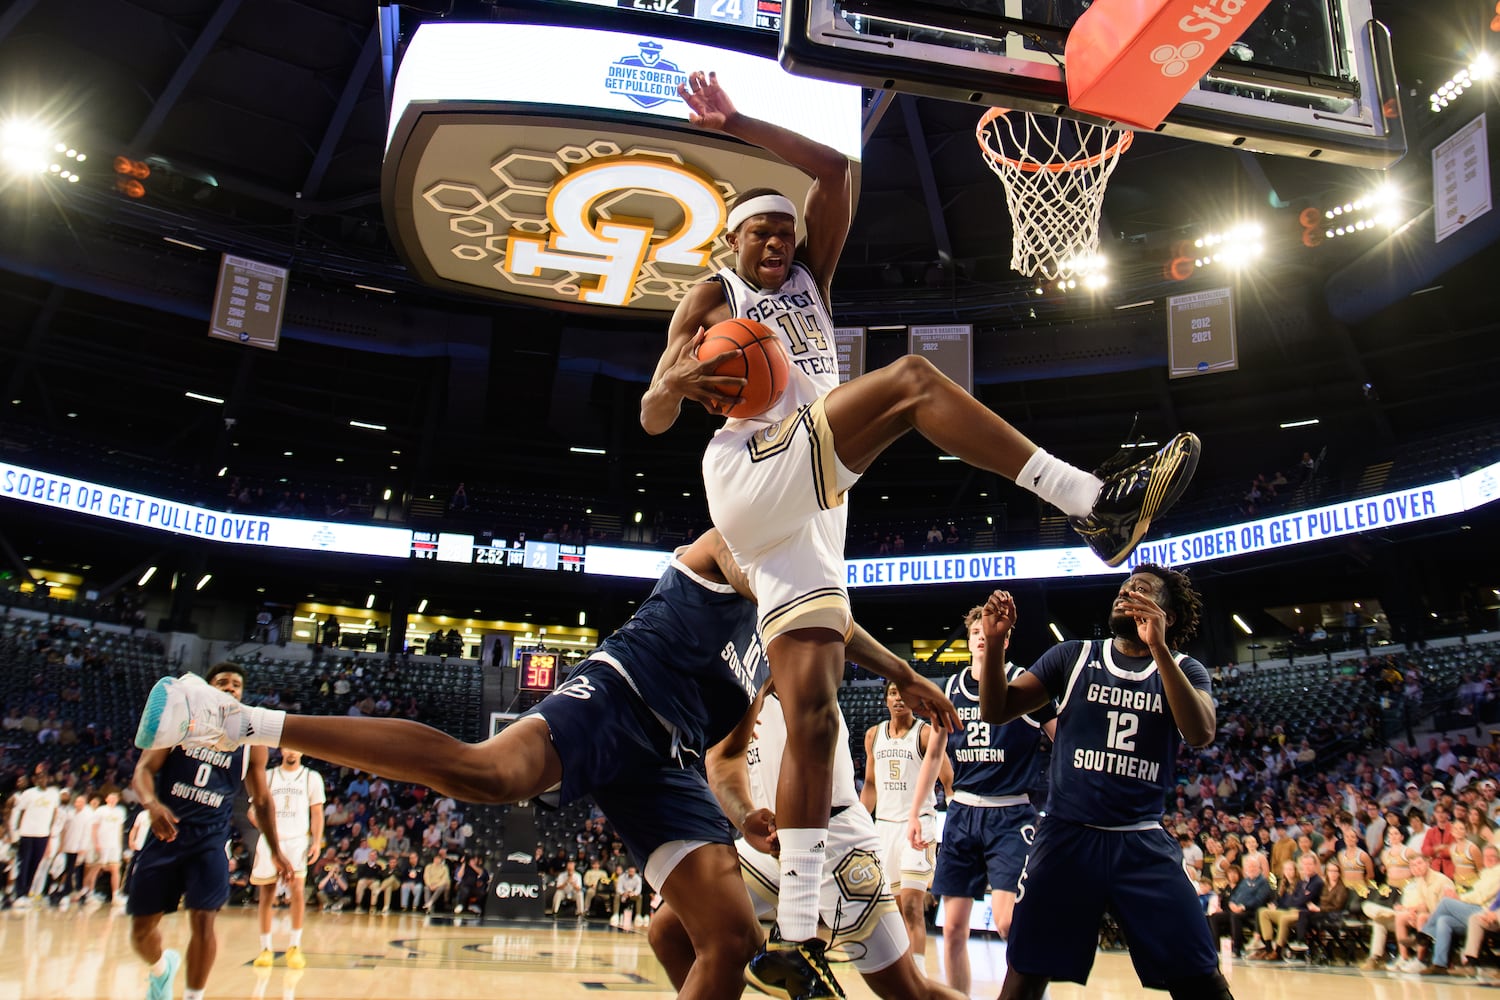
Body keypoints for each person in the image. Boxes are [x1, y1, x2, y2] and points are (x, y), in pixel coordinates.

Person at [641, 67, 1200, 956]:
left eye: (787, 234)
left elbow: (832, 169)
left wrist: (742, 122)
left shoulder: (811, 286)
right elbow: (654, 416)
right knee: (908, 385)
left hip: (816, 504)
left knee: (814, 706)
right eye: (761, 233)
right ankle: (1090, 500)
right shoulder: (715, 298)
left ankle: (792, 922)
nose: (779, 244)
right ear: (732, 241)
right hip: (751, 469)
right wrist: (669, 380)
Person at [136, 528, 957, 1000]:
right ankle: (241, 717)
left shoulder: (774, 659)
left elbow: (726, 757)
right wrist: (907, 673)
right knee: (484, 773)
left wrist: (742, 813)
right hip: (619, 695)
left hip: (667, 764)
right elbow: (794, 596)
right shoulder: (742, 543)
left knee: (731, 937)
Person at [975, 568, 1234, 1000]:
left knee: (1201, 977)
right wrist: (998, 643)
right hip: (1066, 836)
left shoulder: (1187, 668)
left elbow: (1202, 731)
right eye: (1124, 588)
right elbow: (997, 709)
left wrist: (1160, 649)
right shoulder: (1072, 656)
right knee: (1024, 974)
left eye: (1143, 590)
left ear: (1166, 613)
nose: (1127, 593)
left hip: (1141, 841)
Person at [651, 678, 966, 1000]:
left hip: (833, 839)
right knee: (668, 932)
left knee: (909, 990)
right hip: (771, 842)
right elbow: (721, 761)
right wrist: (745, 816)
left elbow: (831, 644)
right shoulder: (729, 675)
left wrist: (903, 675)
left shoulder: (796, 646)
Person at [904, 604, 1054, 994]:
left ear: (1004, 638)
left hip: (1011, 813)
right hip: (963, 811)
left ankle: (1031, 991)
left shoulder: (1025, 683)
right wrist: (918, 811)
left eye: (988, 634)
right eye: (975, 634)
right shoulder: (950, 690)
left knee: (1007, 921)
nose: (982, 639)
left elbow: (1064, 738)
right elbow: (934, 755)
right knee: (952, 928)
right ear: (969, 641)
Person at [128, 661, 292, 1000]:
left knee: (203, 920)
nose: (231, 688)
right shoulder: (181, 719)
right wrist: (152, 804)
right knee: (141, 932)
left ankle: (192, 996)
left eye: (236, 685)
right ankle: (161, 969)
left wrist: (276, 851)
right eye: (223, 682)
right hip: (165, 835)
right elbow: (143, 770)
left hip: (211, 840)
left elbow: (262, 800)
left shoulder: (251, 739)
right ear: (208, 688)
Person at [861, 679, 952, 972]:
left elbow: (948, 779)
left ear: (912, 700)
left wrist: (954, 817)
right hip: (885, 829)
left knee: (913, 906)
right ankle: (906, 974)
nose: (898, 698)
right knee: (897, 911)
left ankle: (919, 975)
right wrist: (862, 824)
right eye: (892, 693)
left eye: (902, 694)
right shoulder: (873, 735)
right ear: (885, 699)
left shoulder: (925, 733)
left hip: (919, 827)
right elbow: (871, 786)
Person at [252, 750, 325, 969]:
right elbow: (252, 812)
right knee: (266, 894)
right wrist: (268, 832)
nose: (292, 751)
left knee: (298, 891)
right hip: (270, 840)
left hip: (297, 841)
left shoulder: (311, 777)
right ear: (282, 749)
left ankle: (295, 946)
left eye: (296, 747)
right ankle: (265, 948)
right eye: (288, 747)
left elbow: (318, 813)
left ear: (301, 751)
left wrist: (316, 842)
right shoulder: (268, 776)